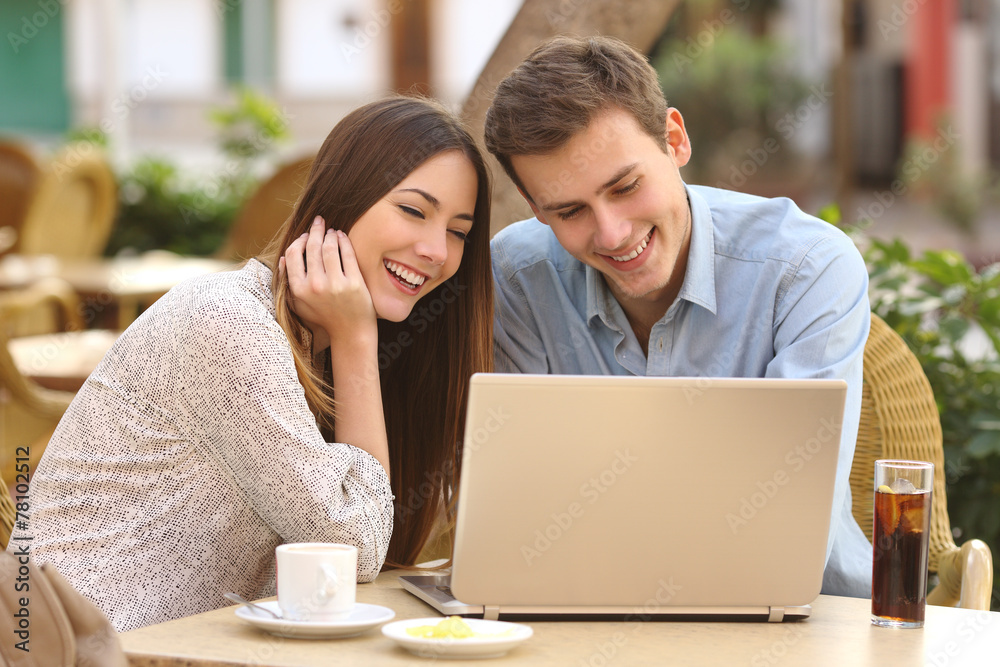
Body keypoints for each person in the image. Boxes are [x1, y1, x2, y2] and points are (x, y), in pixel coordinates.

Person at [12, 96, 493, 631]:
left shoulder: (332, 346)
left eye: (458, 231)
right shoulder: (229, 323)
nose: (436, 249)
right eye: (413, 210)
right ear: (343, 199)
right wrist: (358, 337)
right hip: (78, 648)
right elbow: (351, 548)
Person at [484, 36, 872, 597]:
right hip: (586, 611)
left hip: (801, 621)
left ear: (675, 139)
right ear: (534, 207)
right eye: (569, 211)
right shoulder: (519, 275)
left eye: (626, 186)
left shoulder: (808, 268)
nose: (613, 233)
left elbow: (785, 517)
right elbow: (521, 504)